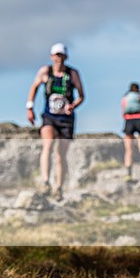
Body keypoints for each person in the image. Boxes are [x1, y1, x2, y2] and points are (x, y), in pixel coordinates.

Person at [26, 43, 85, 201]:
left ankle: (58, 187)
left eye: (61, 55)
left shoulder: (72, 74)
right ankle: (45, 182)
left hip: (66, 119)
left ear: (65, 57)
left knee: (60, 155)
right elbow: (34, 87)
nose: (59, 58)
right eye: (56, 55)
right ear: (52, 56)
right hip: (49, 117)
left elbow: (81, 95)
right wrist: (29, 107)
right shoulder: (45, 72)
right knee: (48, 146)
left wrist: (73, 106)